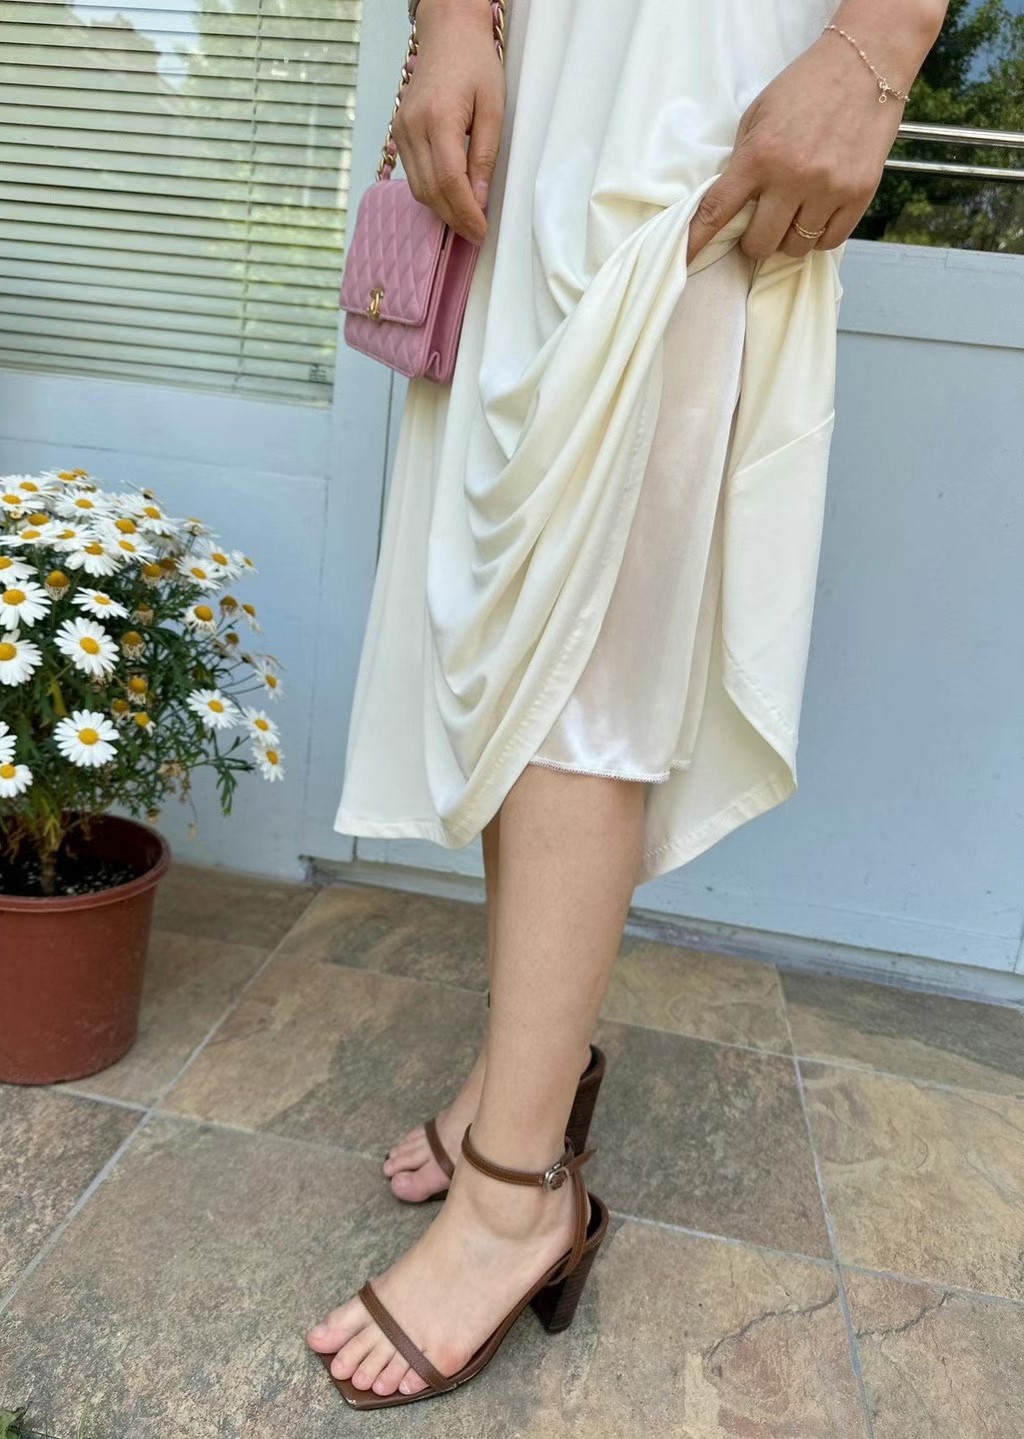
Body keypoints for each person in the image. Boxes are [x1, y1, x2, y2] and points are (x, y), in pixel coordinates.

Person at [309, 0, 950, 1409]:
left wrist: (880, 46)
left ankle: (516, 1200)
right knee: (504, 621)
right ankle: (520, 1076)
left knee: (590, 643)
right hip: (536, 90)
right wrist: (452, 23)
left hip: (694, 95)